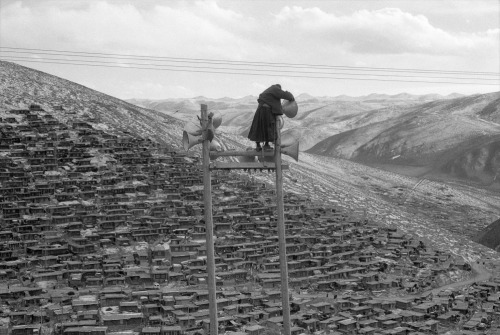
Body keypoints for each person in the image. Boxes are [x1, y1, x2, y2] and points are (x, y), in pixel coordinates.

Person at [248, 84, 294, 151]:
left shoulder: (269, 91)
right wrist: (291, 97)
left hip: (260, 110)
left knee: (259, 127)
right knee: (269, 127)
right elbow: (286, 95)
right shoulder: (275, 89)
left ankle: (258, 146)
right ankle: (266, 145)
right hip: (266, 111)